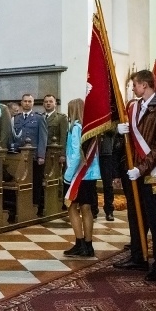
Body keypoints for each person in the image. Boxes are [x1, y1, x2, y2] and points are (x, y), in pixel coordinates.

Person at [114, 70, 156, 281]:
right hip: (133, 170)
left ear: (145, 85)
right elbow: (133, 137)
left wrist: (142, 168)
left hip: (152, 172)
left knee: (154, 216)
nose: (132, 88)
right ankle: (138, 256)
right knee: (135, 212)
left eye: (135, 85)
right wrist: (122, 131)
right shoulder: (135, 106)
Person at [61, 98, 100, 258]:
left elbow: (76, 154)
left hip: (78, 174)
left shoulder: (75, 128)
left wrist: (68, 175)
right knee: (87, 208)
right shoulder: (89, 128)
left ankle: (80, 243)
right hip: (90, 174)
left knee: (71, 207)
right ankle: (88, 245)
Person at [11, 94, 48, 216]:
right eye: (25, 101)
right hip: (19, 156)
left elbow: (43, 137)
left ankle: (35, 206)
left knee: (35, 182)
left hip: (34, 156)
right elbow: (12, 136)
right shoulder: (15, 118)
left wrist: (41, 155)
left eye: (29, 101)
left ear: (33, 103)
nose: (27, 103)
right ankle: (21, 207)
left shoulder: (39, 118)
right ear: (21, 103)